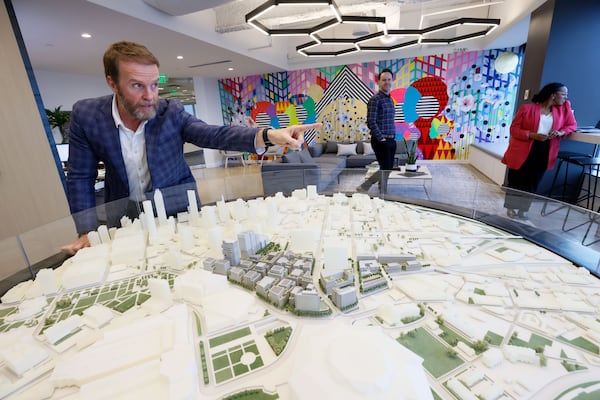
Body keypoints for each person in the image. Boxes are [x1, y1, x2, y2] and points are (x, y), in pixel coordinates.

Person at [62, 41, 320, 254]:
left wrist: (268, 135)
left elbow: (213, 135)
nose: (150, 96)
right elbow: (80, 177)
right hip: (126, 213)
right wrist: (87, 230)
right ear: (112, 83)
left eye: (154, 84)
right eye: (137, 85)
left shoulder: (170, 111)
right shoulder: (86, 115)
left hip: (178, 208)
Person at [501, 82, 577, 220]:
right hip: (523, 147)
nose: (566, 98)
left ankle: (524, 209)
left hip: (545, 149)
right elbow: (514, 129)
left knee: (533, 180)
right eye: (563, 94)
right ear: (553, 95)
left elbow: (572, 125)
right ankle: (511, 207)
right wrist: (531, 135)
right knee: (516, 179)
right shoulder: (527, 109)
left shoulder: (564, 109)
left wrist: (561, 132)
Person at [357, 68, 396, 193]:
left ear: (391, 81)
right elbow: (371, 122)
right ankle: (368, 187)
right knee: (385, 168)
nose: (387, 82)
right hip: (381, 140)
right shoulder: (375, 99)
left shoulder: (390, 100)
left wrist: (392, 137)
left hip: (391, 138)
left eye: (389, 80)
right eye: (384, 80)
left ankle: (380, 189)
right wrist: (382, 138)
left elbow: (389, 120)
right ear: (378, 82)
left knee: (387, 168)